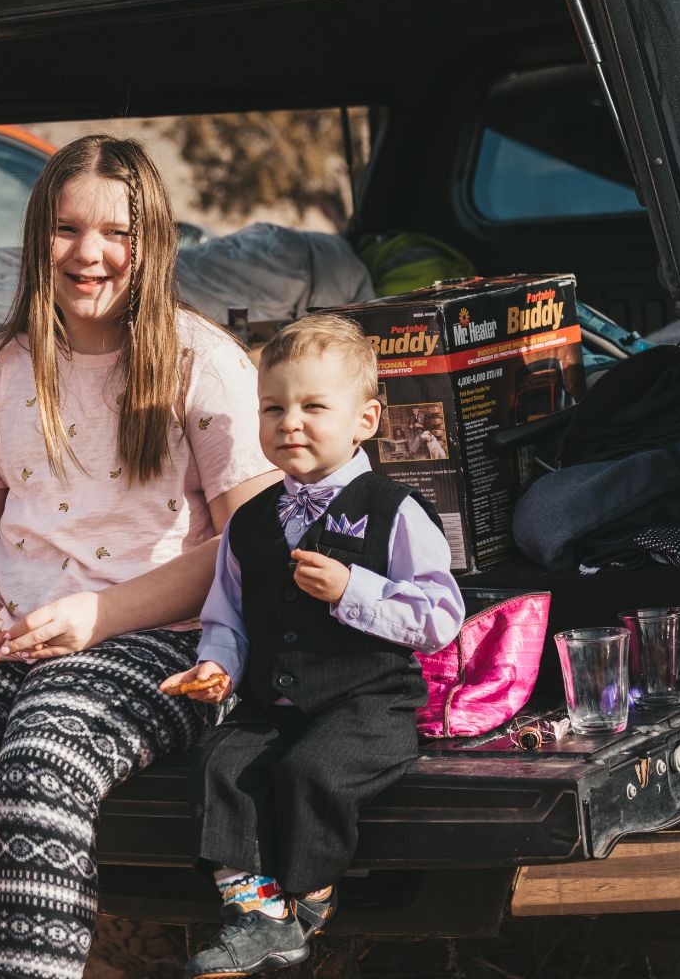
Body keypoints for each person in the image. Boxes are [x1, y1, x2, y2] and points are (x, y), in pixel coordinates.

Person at [0, 134, 276, 979]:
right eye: (69, 229)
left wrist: (98, 616)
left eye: (117, 232)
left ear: (151, 245)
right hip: (11, 629)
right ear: (39, 238)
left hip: (164, 637)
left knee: (41, 769)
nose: (90, 254)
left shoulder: (202, 362)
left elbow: (249, 543)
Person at [161, 315, 465, 978]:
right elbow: (228, 617)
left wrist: (353, 588)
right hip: (275, 701)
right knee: (219, 759)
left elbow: (441, 616)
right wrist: (217, 666)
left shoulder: (396, 510)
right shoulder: (249, 522)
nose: (289, 422)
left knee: (313, 773)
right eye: (274, 408)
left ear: (366, 420)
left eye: (312, 406)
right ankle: (257, 915)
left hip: (369, 706)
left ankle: (308, 896)